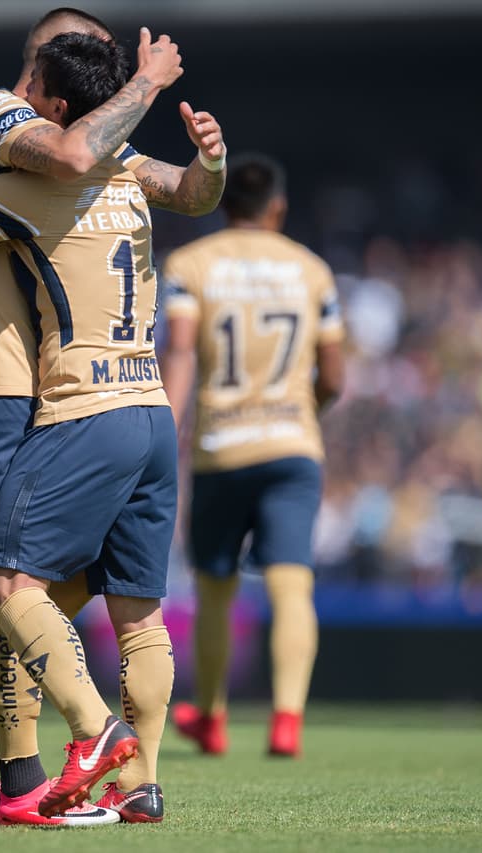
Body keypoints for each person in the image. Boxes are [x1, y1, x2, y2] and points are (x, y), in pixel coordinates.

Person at [0, 7, 224, 826]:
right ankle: (135, 779)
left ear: (56, 97)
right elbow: (188, 192)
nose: (22, 89)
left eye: (36, 83)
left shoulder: (36, 178)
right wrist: (210, 161)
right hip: (148, 408)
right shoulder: (105, 167)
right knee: (128, 608)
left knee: (12, 585)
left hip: (69, 403)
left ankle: (62, 755)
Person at [161, 153, 346, 758]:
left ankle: (211, 717)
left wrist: (168, 424)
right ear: (279, 207)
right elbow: (336, 375)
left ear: (223, 205)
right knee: (293, 584)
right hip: (293, 445)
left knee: (216, 588)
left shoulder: (191, 265)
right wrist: (304, 411)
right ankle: (286, 719)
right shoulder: (312, 271)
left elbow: (182, 349)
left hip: (221, 445)